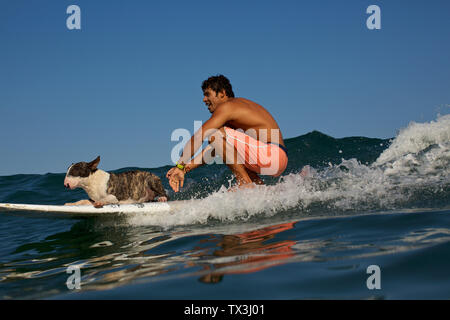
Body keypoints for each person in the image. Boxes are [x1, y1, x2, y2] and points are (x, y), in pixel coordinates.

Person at [166, 75, 288, 192]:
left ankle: (245, 183)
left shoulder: (228, 107)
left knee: (213, 133)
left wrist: (179, 165)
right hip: (276, 158)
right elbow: (213, 149)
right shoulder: (236, 111)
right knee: (222, 143)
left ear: (222, 93)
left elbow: (199, 136)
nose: (204, 99)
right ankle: (258, 188)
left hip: (271, 154)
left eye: (207, 94)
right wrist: (185, 168)